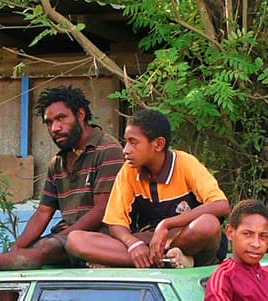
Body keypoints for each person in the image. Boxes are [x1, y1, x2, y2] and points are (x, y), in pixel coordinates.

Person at [0, 86, 124, 271]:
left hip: (99, 238)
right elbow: (43, 213)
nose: (55, 128)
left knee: (44, 248)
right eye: (49, 122)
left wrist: (64, 237)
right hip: (64, 237)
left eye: (61, 118)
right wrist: (16, 248)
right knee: (9, 261)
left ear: (80, 114)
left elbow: (102, 210)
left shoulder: (107, 150)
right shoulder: (58, 162)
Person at [66, 108, 230, 268]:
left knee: (208, 224)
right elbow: (116, 224)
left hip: (183, 240)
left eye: (133, 143)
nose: (125, 150)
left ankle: (124, 261)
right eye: (125, 142)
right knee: (75, 240)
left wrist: (166, 225)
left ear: (158, 144)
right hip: (147, 242)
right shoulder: (129, 171)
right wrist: (133, 244)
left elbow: (221, 205)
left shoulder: (185, 163)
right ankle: (165, 261)